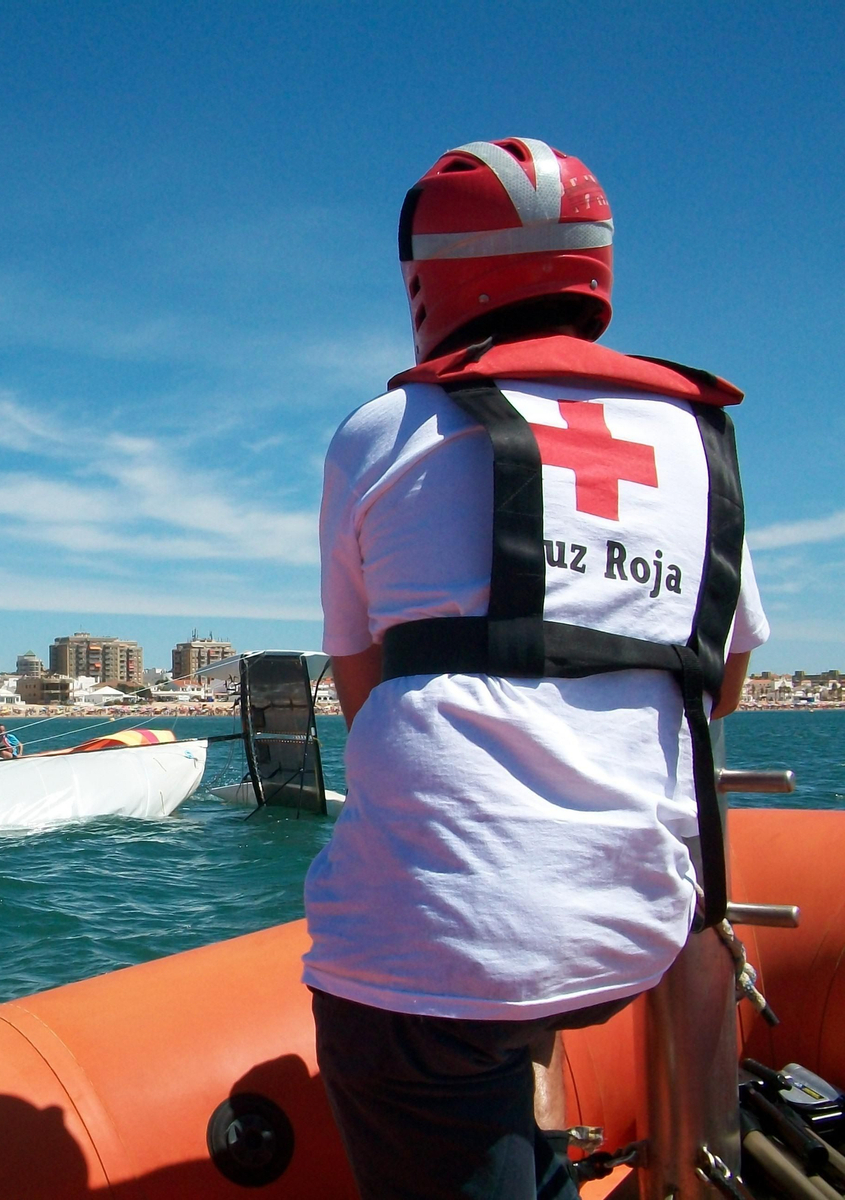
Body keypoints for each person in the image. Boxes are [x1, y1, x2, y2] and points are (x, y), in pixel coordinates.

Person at [304, 137, 768, 1199]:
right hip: (630, 932)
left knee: (446, 985)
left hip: (429, 959)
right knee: (524, 1007)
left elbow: (362, 692)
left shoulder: (382, 433)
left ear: (431, 277)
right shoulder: (701, 442)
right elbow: (721, 687)